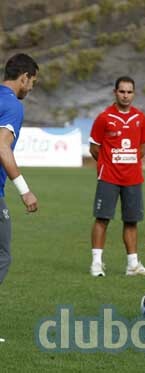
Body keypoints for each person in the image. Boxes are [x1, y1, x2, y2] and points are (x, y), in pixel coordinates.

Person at [89, 76, 145, 277]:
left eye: (129, 92)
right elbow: (94, 148)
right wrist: (110, 163)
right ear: (115, 92)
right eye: (122, 91)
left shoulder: (140, 118)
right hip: (108, 177)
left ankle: (132, 265)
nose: (125, 95)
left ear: (133, 94)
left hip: (133, 178)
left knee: (131, 221)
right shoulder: (104, 117)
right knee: (102, 219)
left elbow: (142, 147)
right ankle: (96, 264)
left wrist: (128, 161)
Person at [0, 53, 40, 343]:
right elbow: (2, 147)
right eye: (32, 82)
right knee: (2, 255)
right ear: (24, 77)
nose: (31, 88)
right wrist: (24, 190)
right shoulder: (12, 105)